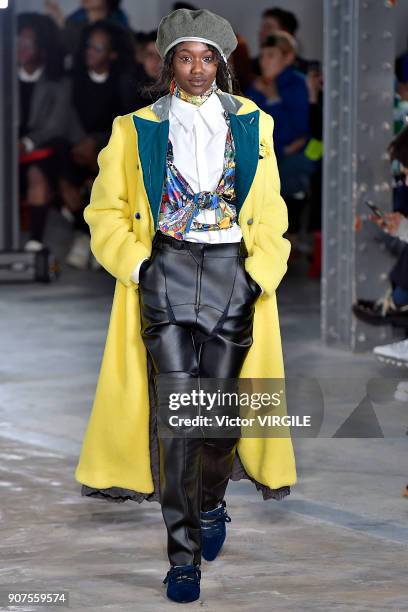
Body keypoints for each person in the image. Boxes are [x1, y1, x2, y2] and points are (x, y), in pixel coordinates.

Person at [74, 8, 297, 604]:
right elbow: (104, 211)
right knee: (178, 423)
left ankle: (213, 501)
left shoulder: (255, 123)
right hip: (166, 273)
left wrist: (258, 276)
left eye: (206, 59)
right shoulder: (134, 129)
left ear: (220, 65)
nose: (196, 69)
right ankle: (182, 558)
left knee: (218, 421)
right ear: (167, 62)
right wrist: (141, 267)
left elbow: (272, 211)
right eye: (184, 57)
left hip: (231, 274)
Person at [17, 12, 67, 252]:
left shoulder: (56, 84)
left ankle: (35, 241)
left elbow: (55, 125)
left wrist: (25, 143)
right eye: (18, 41)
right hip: (8, 147)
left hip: (41, 150)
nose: (21, 47)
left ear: (42, 49)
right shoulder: (6, 77)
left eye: (28, 43)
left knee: (37, 176)